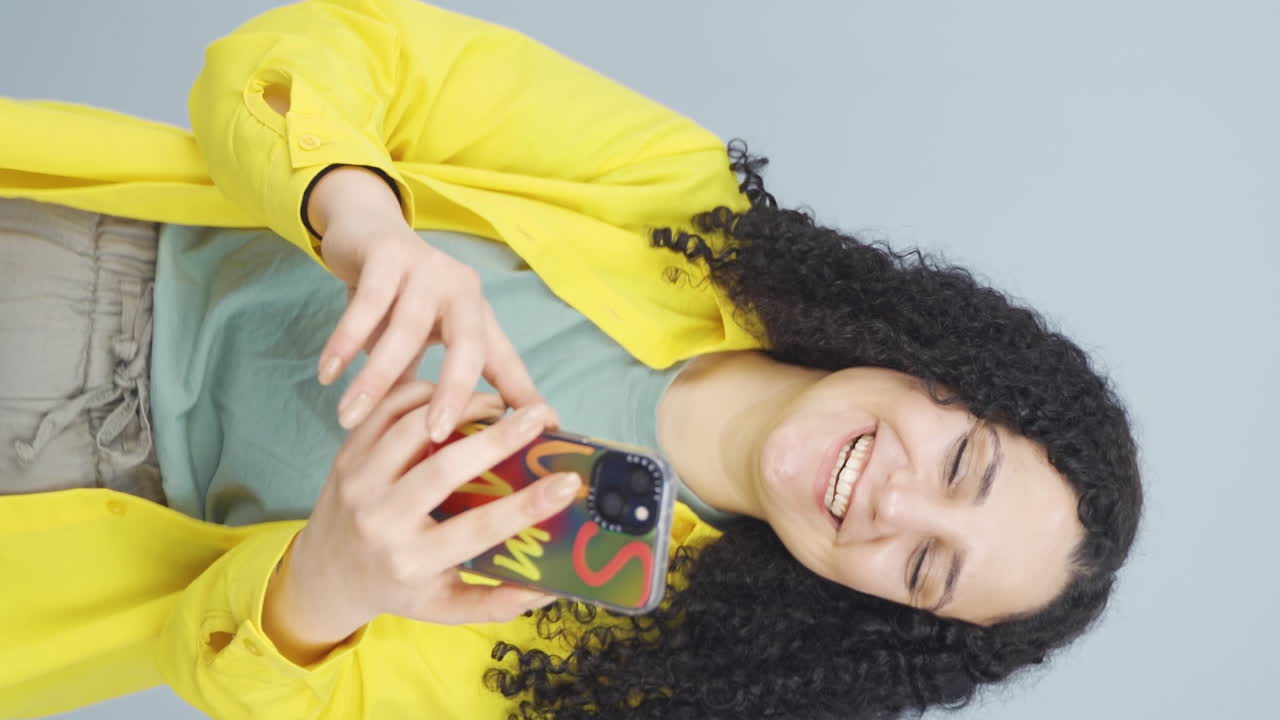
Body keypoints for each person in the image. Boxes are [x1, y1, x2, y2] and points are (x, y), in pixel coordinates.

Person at [0, 1, 1142, 718]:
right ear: (942, 369)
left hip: (58, 550)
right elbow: (315, 54)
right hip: (76, 269)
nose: (892, 505)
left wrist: (329, 587)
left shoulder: (622, 668)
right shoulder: (678, 200)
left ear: (878, 611)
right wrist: (362, 218)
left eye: (924, 570)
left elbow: (256, 685)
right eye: (959, 465)